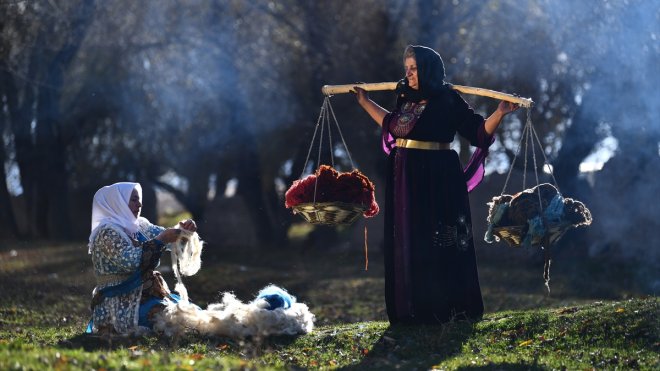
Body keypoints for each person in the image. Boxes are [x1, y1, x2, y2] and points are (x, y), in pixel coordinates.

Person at [354, 45, 518, 324]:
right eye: (406, 67)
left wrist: (500, 113)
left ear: (428, 68)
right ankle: (410, 309)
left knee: (439, 239)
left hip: (438, 175)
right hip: (404, 176)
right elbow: (392, 125)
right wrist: (365, 102)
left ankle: (445, 309)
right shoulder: (405, 98)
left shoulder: (448, 99)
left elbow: (477, 132)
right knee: (407, 238)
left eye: (414, 67)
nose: (408, 73)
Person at [86, 182, 198, 335]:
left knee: (188, 311)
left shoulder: (139, 226)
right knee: (170, 317)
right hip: (120, 304)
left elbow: (168, 238)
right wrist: (161, 240)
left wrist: (182, 231)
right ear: (118, 202)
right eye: (133, 200)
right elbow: (131, 262)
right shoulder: (106, 233)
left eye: (139, 200)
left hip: (145, 296)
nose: (139, 204)